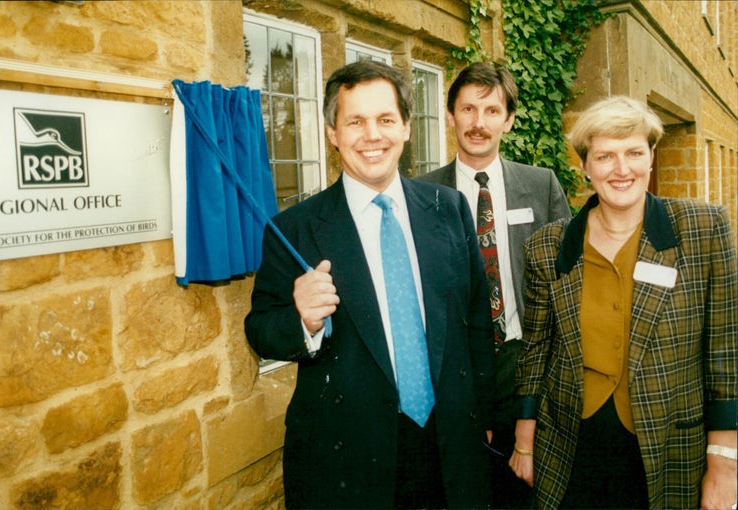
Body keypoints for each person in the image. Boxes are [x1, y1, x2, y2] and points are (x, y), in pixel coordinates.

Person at [244, 60, 495, 509]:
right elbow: (260, 329)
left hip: (449, 447)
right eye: (354, 121)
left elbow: (477, 320)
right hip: (349, 461)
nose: (371, 135)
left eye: (384, 120)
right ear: (332, 133)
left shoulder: (449, 208)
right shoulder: (295, 228)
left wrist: (483, 415)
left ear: (406, 128)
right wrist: (301, 319)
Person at [508, 95, 737, 509]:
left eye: (633, 152)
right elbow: (536, 350)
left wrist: (725, 462)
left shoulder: (703, 229)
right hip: (572, 445)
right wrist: (525, 441)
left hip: (671, 445)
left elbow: (726, 349)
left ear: (651, 156)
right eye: (605, 156)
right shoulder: (549, 246)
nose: (621, 169)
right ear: (585, 166)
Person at [417, 62, 570, 508]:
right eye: (467, 109)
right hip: (458, 374)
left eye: (491, 110)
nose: (478, 123)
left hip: (528, 366)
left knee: (532, 494)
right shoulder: (421, 196)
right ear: (450, 116)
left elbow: (565, 281)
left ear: (508, 120)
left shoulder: (541, 187)